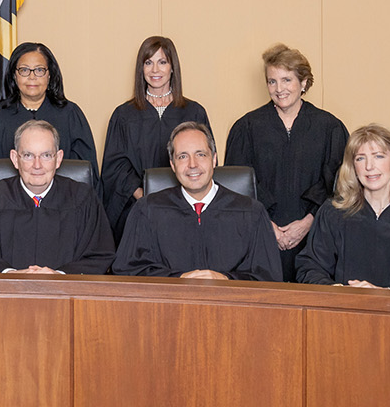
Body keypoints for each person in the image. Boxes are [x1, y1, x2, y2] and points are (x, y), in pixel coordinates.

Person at [225, 43, 349, 282]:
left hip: (316, 237)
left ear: (303, 83)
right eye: (272, 81)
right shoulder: (247, 127)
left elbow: (339, 186)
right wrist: (267, 226)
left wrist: (307, 223)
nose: (279, 89)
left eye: (286, 80)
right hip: (260, 236)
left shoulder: (330, 128)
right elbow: (237, 188)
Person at [113, 122, 281, 281]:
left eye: (200, 154)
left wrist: (227, 280)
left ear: (214, 159)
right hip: (167, 309)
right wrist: (178, 280)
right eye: (182, 156)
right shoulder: (147, 210)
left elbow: (268, 279)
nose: (192, 164)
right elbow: (127, 272)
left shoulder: (251, 212)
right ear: (172, 165)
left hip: (230, 309)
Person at [296, 124, 390, 292]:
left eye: (378, 156)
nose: (369, 166)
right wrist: (336, 290)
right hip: (343, 312)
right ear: (353, 167)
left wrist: (385, 295)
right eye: (360, 158)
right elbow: (310, 267)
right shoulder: (333, 213)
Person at [0, 121, 115, 274]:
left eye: (46, 155)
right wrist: (10, 274)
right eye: (28, 155)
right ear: (15, 158)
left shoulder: (83, 199)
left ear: (58, 158)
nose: (37, 165)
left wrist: (60, 276)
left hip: (66, 297)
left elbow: (99, 253)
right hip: (7, 296)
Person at [100, 36, 211, 242]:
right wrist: (143, 196)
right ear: (141, 69)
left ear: (172, 67)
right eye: (148, 62)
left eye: (162, 62)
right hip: (137, 207)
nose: (155, 70)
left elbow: (205, 159)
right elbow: (115, 166)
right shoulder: (124, 115)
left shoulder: (193, 112)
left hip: (186, 207)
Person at [0, 42, 98, 191]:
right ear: (14, 76)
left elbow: (87, 177)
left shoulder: (70, 115)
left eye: (39, 70)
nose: (32, 77)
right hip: (7, 207)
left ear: (49, 75)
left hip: (63, 208)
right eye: (24, 70)